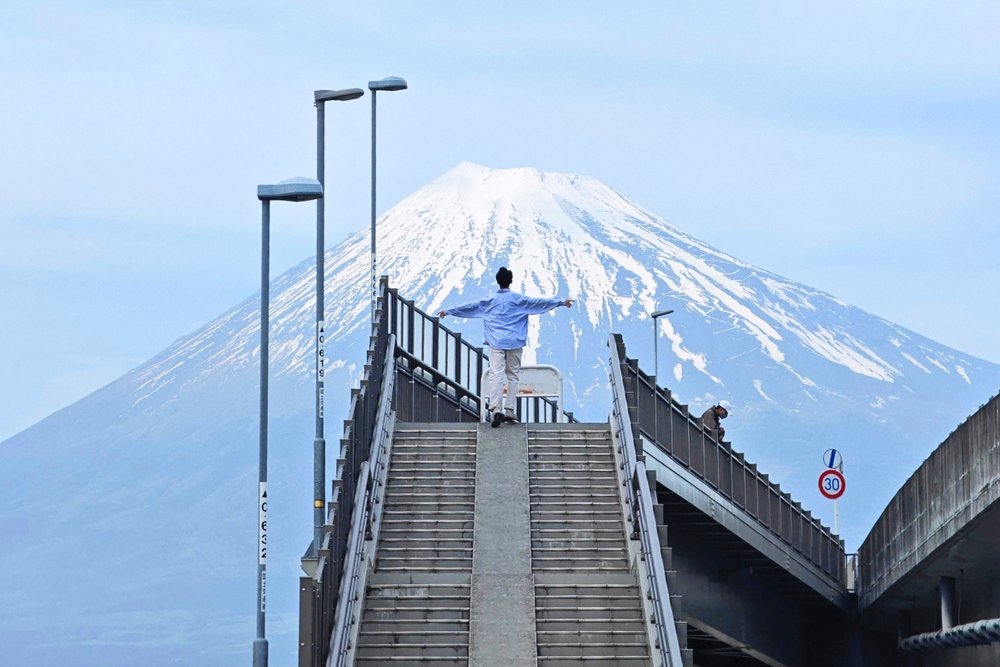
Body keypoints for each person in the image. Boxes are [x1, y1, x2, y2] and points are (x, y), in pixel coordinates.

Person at [437, 266, 573, 427]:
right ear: (511, 281)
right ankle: (509, 410)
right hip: (515, 342)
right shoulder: (520, 300)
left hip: (496, 343)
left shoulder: (488, 301)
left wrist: (448, 311)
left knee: (496, 375)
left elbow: (469, 307)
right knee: (513, 376)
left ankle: (495, 409)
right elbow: (539, 303)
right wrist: (561, 302)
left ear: (497, 281)